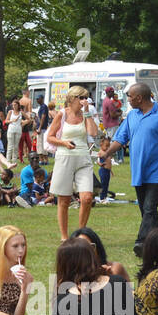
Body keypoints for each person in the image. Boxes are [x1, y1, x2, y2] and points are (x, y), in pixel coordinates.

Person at [99, 82, 158, 256]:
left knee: (149, 207)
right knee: (146, 210)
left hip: (157, 170)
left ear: (139, 97)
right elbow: (120, 139)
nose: (128, 99)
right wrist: (107, 153)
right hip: (138, 169)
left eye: (129, 96)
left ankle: (142, 241)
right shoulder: (132, 116)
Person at [46, 86, 100, 239]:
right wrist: (64, 143)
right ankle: (64, 237)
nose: (84, 101)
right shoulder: (62, 114)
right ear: (72, 99)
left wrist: (88, 112)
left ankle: (81, 234)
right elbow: (49, 137)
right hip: (64, 157)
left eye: (86, 98)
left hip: (83, 157)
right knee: (64, 199)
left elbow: (93, 133)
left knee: (87, 198)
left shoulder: (86, 114)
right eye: (81, 98)